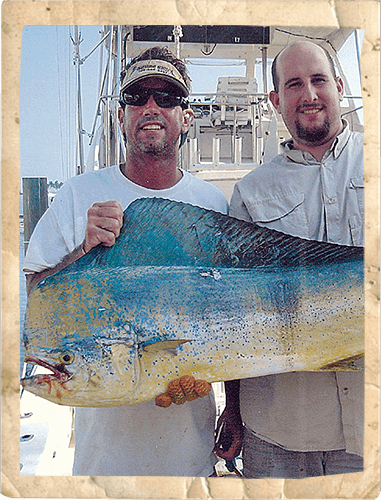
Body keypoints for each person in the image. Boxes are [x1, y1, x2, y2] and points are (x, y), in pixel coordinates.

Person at [23, 46, 229, 476]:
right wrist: (84, 252)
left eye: (166, 97)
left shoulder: (212, 203)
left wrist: (238, 411)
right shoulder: (77, 195)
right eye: (137, 97)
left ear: (186, 116)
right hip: (104, 466)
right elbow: (37, 295)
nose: (151, 107)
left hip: (191, 461)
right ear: (120, 115)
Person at [215, 41, 364, 478]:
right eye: (295, 84)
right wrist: (234, 411)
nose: (309, 94)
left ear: (338, 86)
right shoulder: (249, 192)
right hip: (279, 431)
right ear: (277, 100)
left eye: (318, 80)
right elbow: (235, 315)